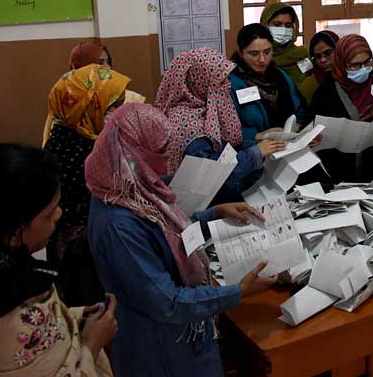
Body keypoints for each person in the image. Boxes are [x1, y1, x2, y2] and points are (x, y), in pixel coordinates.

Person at [85, 104, 277, 377]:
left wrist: (213, 216)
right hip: (163, 350)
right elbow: (168, 302)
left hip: (184, 336)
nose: (166, 161)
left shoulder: (131, 187)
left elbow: (167, 236)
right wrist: (238, 291)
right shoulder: (118, 224)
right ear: (132, 152)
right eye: (161, 152)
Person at [0, 143, 117, 377]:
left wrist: (73, 317)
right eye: (49, 212)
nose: (59, 214)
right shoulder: (12, 311)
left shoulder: (12, 265)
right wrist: (91, 344)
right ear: (17, 227)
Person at [43, 64, 130, 307]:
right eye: (113, 107)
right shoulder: (72, 149)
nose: (119, 113)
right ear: (87, 106)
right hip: (81, 251)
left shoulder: (91, 138)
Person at [154, 47, 286, 203]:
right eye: (221, 80)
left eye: (227, 78)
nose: (228, 85)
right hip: (205, 204)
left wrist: (267, 144)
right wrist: (255, 153)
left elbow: (228, 145)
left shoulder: (204, 108)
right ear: (200, 82)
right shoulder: (187, 122)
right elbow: (208, 175)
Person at [307, 34, 373, 183]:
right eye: (355, 65)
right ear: (341, 63)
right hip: (342, 176)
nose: (363, 69)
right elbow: (313, 133)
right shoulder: (325, 94)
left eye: (367, 62)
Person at [43, 41, 145, 146]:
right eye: (100, 63)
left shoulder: (129, 99)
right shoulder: (64, 110)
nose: (108, 67)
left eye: (108, 62)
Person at [229, 23, 309, 141]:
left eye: (267, 52)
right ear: (241, 53)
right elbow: (226, 129)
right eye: (254, 54)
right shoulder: (231, 83)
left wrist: (299, 127)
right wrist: (257, 136)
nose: (262, 59)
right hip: (254, 151)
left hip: (289, 144)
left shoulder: (280, 75)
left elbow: (299, 107)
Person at [260, 2, 310, 86]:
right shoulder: (258, 58)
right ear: (266, 25)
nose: (283, 29)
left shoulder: (302, 55)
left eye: (288, 25)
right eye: (277, 24)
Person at [298, 30, 340, 106]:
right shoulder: (310, 86)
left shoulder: (352, 76)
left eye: (328, 53)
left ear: (339, 50)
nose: (323, 60)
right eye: (317, 56)